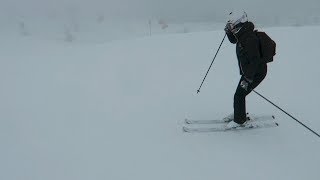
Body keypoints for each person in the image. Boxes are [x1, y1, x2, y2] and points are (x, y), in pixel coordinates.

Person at [223, 12, 268, 129]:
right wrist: (228, 32)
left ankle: (239, 120)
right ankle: (240, 114)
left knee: (239, 95)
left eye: (232, 25)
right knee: (240, 94)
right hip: (250, 72)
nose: (231, 27)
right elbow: (234, 40)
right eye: (230, 25)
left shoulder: (249, 38)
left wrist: (248, 78)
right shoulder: (243, 33)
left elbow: (255, 60)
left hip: (256, 73)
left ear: (240, 23)